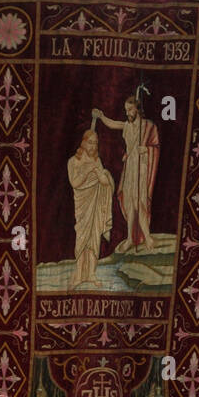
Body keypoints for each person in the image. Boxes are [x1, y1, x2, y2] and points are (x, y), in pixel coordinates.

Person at [92, 95, 159, 253]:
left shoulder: (148, 126)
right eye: (126, 110)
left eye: (130, 109)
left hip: (141, 168)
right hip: (129, 167)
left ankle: (147, 236)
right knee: (129, 203)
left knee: (139, 202)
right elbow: (113, 124)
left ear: (137, 108)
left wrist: (147, 150)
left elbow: (155, 146)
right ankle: (130, 238)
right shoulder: (127, 126)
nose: (127, 112)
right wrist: (101, 116)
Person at [67, 128, 115, 289]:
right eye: (90, 142)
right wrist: (88, 170)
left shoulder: (97, 161)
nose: (93, 146)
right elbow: (74, 182)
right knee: (82, 239)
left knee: (94, 239)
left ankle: (91, 274)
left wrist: (105, 176)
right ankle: (80, 275)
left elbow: (104, 182)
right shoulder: (73, 161)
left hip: (95, 206)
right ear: (84, 142)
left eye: (96, 143)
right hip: (82, 207)